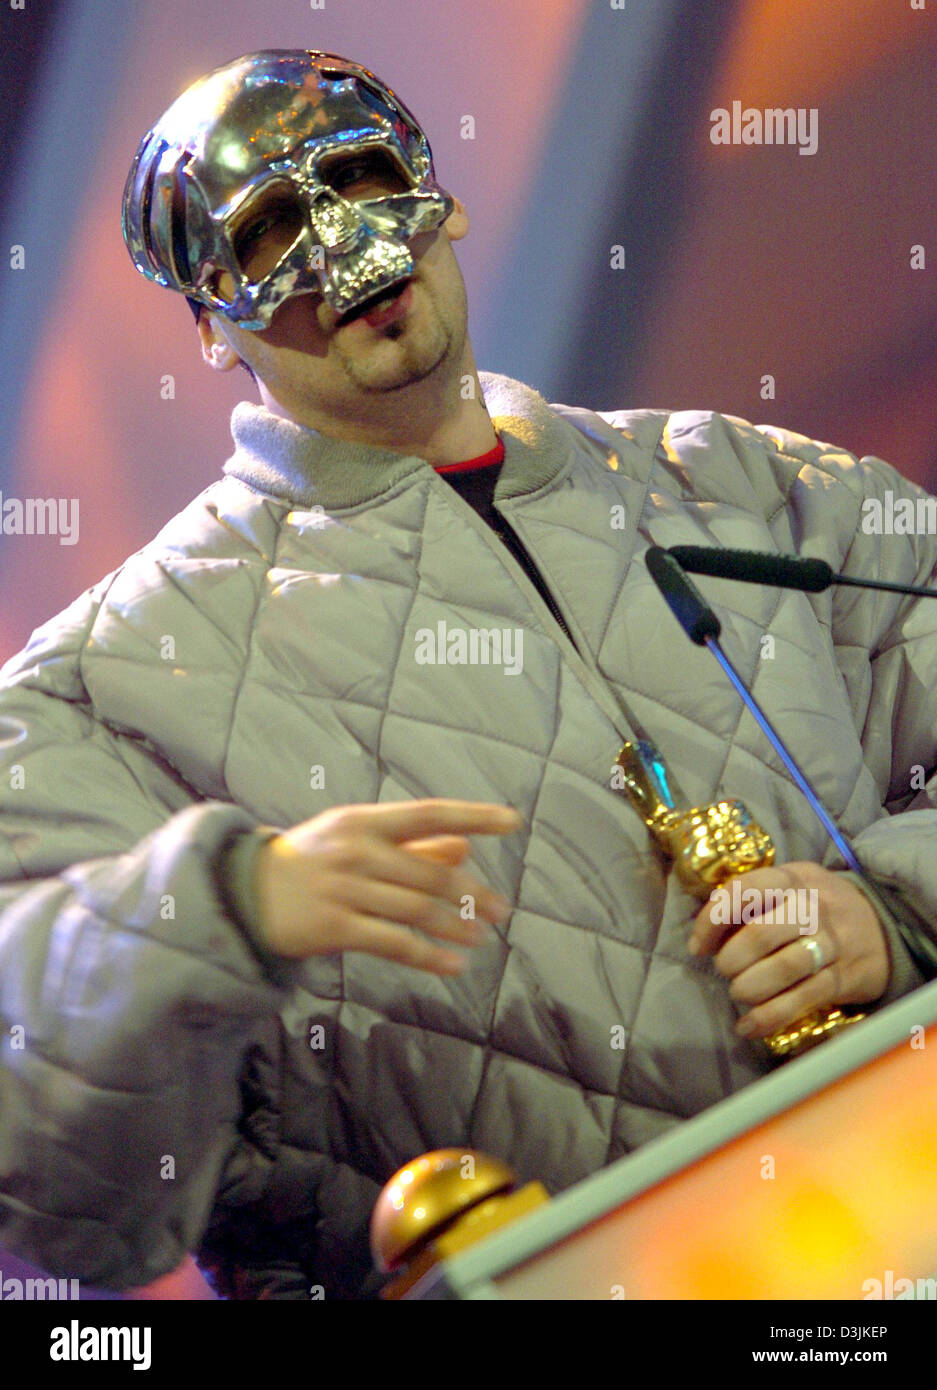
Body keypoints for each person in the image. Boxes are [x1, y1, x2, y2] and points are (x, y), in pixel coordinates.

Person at [1, 48, 936, 1302]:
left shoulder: (759, 490)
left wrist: (894, 913)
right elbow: (62, 1202)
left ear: (440, 195)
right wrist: (221, 911)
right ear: (207, 323)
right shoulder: (103, 690)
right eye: (272, 225)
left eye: (359, 174)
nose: (344, 249)